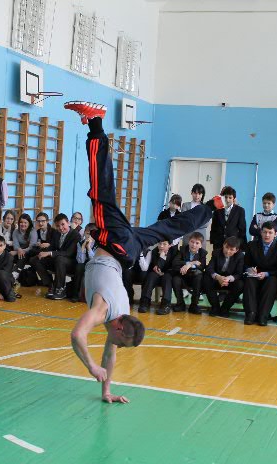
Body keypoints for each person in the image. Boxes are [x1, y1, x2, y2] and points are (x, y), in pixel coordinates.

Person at [64, 101, 222, 403]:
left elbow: (110, 352)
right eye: (122, 343)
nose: (117, 348)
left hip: (128, 249)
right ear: (121, 327)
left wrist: (106, 389)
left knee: (170, 229)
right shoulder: (104, 310)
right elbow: (76, 336)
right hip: (117, 247)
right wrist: (91, 367)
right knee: (101, 192)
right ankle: (95, 123)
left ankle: (209, 209)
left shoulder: (118, 318)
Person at [242, 221, 277, 326]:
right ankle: (251, 313)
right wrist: (250, 270)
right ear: (260, 232)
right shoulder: (251, 245)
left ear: (276, 234)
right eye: (265, 232)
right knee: (249, 280)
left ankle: (263, 315)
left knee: (272, 282)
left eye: (270, 232)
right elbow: (245, 264)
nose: (267, 235)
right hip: (255, 275)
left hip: (271, 276)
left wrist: (266, 274)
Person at [30, 213, 79, 299]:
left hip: (71, 263)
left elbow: (69, 253)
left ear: (68, 223)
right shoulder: (56, 233)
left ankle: (60, 290)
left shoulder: (75, 235)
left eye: (63, 224)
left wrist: (50, 253)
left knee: (59, 259)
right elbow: (52, 247)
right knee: (35, 259)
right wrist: (43, 253)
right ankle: (51, 285)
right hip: (58, 260)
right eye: (58, 226)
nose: (60, 228)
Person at [203, 236, 245, 317]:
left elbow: (239, 273)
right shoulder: (216, 252)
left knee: (240, 284)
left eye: (231, 249)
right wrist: (218, 277)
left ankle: (225, 308)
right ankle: (215, 307)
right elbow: (209, 268)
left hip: (230, 281)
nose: (227, 251)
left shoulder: (240, 256)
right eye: (226, 247)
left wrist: (228, 279)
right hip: (217, 279)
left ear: (236, 250)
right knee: (206, 278)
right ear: (223, 245)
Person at [171, 233, 208, 314]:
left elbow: (202, 267)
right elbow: (175, 263)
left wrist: (189, 265)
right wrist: (190, 263)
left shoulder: (203, 253)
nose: (194, 245)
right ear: (189, 241)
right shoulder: (182, 249)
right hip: (183, 276)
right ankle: (180, 304)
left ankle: (194, 305)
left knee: (199, 277)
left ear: (201, 245)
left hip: (194, 278)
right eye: (192, 242)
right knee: (175, 279)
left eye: (197, 243)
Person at [137, 240, 177, 314]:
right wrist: (161, 257)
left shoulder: (174, 252)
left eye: (164, 244)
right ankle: (145, 301)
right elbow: (157, 267)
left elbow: (175, 267)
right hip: (156, 273)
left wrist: (162, 258)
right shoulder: (154, 251)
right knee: (151, 276)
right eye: (160, 243)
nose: (161, 246)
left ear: (169, 245)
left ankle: (166, 304)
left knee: (167, 278)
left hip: (168, 273)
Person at [70, 223, 97, 302]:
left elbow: (94, 259)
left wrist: (88, 248)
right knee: (79, 267)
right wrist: (83, 247)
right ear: (84, 232)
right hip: (84, 264)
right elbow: (80, 261)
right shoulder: (80, 243)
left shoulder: (98, 244)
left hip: (94, 264)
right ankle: (75, 294)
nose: (89, 237)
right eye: (87, 233)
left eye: (92, 234)